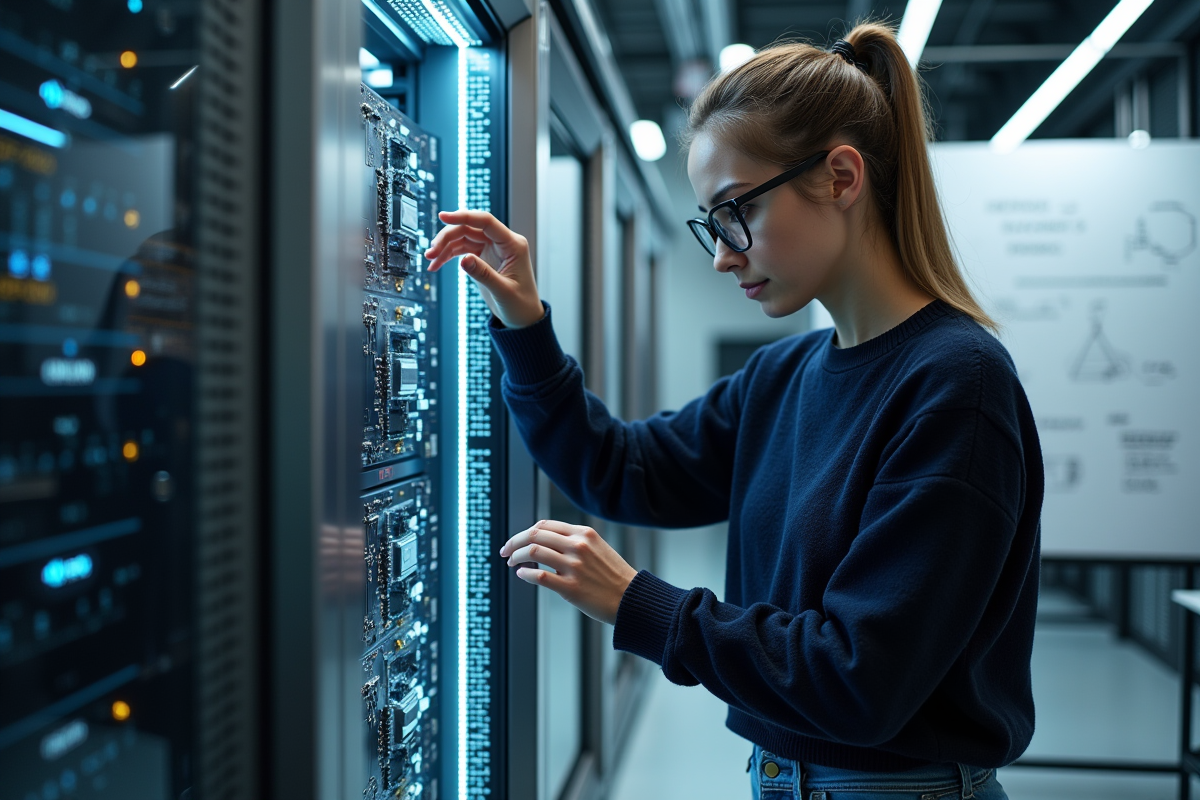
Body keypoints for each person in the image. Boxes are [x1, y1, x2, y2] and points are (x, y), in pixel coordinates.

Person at [424, 22, 1042, 800]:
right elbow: (620, 469)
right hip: (787, 778)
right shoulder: (782, 375)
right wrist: (523, 324)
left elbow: (860, 680)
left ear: (841, 177)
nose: (722, 255)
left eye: (734, 211)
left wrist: (638, 603)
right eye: (711, 225)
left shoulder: (956, 384)